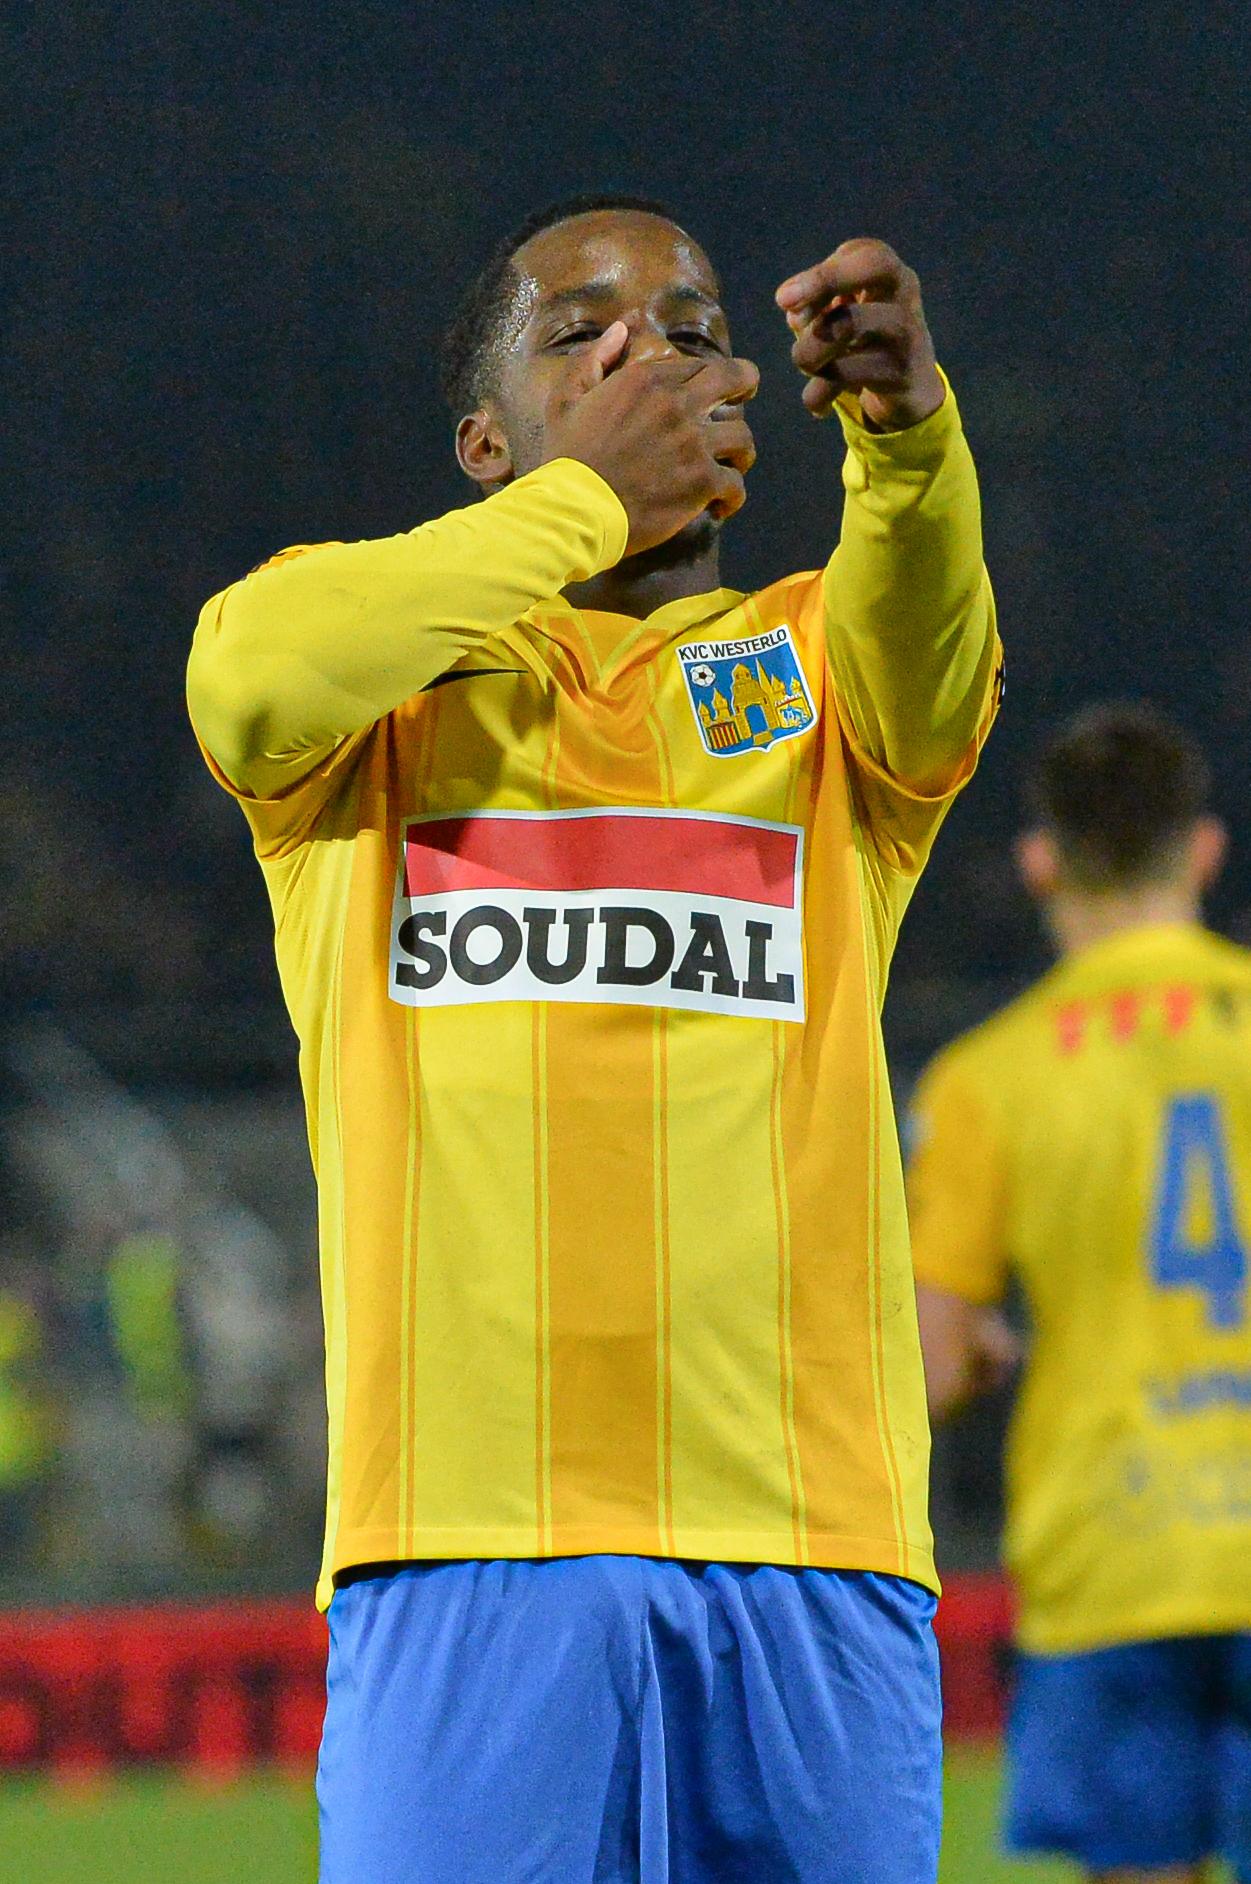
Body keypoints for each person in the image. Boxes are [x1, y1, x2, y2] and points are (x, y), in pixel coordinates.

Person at [187, 191, 1000, 1883]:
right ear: (487, 440)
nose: (652, 354)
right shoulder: (382, 698)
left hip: (813, 1541)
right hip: (463, 1542)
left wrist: (909, 440)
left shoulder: (815, 671)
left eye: (693, 328)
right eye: (584, 334)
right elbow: (244, 676)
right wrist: (580, 509)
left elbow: (930, 645)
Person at [909, 703, 1251, 1884]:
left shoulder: (986, 1081)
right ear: (1202, 851)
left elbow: (932, 1367)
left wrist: (988, 1353)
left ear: (1041, 863)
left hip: (1115, 1550)